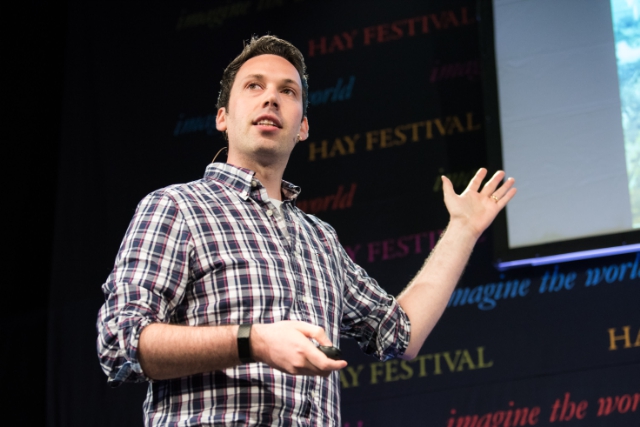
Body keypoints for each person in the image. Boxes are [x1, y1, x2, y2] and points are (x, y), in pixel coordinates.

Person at [97, 35, 516, 426]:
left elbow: (400, 334)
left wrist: (462, 229)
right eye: (254, 86)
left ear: (303, 127)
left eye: (288, 91)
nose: (271, 98)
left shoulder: (320, 240)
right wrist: (253, 342)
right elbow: (119, 341)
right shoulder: (177, 208)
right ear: (223, 117)